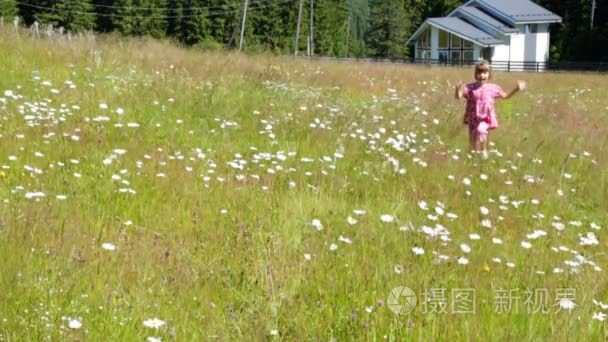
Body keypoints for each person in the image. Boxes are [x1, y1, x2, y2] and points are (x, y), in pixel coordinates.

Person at [455, 60, 526, 158]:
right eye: (479, 73)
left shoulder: (493, 88)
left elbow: (505, 96)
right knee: (472, 139)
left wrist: (516, 89)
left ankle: (483, 151)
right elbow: (458, 96)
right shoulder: (470, 87)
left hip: (485, 117)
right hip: (473, 117)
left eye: (484, 73)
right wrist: (458, 89)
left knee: (482, 130)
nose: (482, 75)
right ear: (476, 74)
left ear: (489, 74)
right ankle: (472, 155)